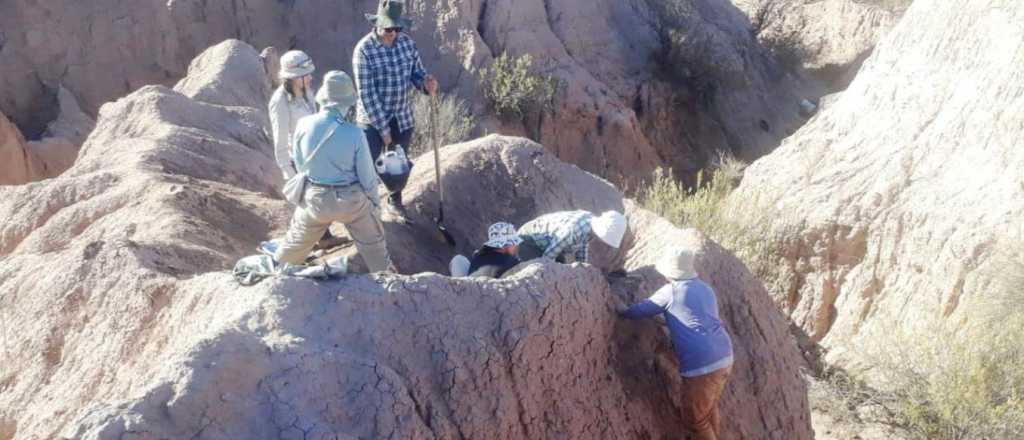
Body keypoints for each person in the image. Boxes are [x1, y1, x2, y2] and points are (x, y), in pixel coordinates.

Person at [274, 71, 393, 273]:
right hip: (351, 203)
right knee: (376, 250)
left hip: (316, 201)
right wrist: (375, 207)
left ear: (323, 99)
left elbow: (301, 166)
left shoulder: (303, 125)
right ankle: (388, 279)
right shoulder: (355, 133)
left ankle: (277, 275)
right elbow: (367, 177)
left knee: (290, 250)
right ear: (346, 103)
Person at [617, 248, 734, 440]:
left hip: (702, 365)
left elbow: (639, 311)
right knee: (709, 406)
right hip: (725, 355)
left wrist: (621, 309)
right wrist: (668, 321)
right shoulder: (705, 288)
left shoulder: (670, 292)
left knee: (696, 421)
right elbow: (698, 319)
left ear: (669, 271)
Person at [353, 0, 439, 220]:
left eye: (397, 29)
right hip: (372, 119)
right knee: (367, 167)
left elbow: (416, 73)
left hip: (401, 116)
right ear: (377, 24)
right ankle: (364, 211)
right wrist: (383, 129)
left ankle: (395, 202)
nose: (393, 33)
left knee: (398, 166)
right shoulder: (364, 50)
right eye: (388, 28)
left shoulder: (407, 44)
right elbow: (367, 93)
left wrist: (425, 84)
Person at [268, 50, 343, 247]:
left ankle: (323, 238)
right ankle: (300, 246)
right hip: (297, 160)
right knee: (307, 203)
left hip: (314, 154)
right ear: (293, 77)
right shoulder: (280, 102)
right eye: (306, 74)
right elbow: (281, 141)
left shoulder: (307, 93)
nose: (310, 77)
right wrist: (290, 172)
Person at [517, 210, 626, 264]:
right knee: (536, 271)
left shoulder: (589, 227)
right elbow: (547, 258)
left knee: (561, 267)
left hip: (547, 244)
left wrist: (583, 268)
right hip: (528, 241)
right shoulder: (573, 230)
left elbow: (582, 248)